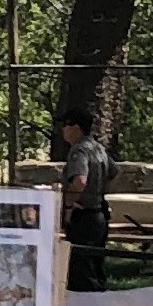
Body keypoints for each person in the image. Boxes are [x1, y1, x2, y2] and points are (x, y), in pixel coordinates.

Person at [57, 114, 114, 291]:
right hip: (99, 214)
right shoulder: (98, 149)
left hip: (82, 216)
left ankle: (86, 304)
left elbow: (80, 181)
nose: (63, 129)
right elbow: (114, 172)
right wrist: (99, 191)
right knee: (96, 266)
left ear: (76, 128)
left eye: (66, 124)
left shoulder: (79, 151)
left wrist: (68, 206)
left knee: (81, 270)